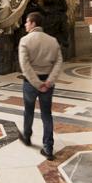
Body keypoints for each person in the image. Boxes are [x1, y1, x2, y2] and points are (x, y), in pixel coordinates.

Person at [18, 10, 63, 161]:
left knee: (28, 111)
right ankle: (48, 147)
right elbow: (58, 62)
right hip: (47, 83)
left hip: (31, 83)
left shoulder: (25, 41)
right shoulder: (53, 40)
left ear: (33, 23)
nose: (25, 24)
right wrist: (48, 82)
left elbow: (25, 66)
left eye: (27, 22)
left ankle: (27, 136)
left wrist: (37, 84)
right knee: (46, 114)